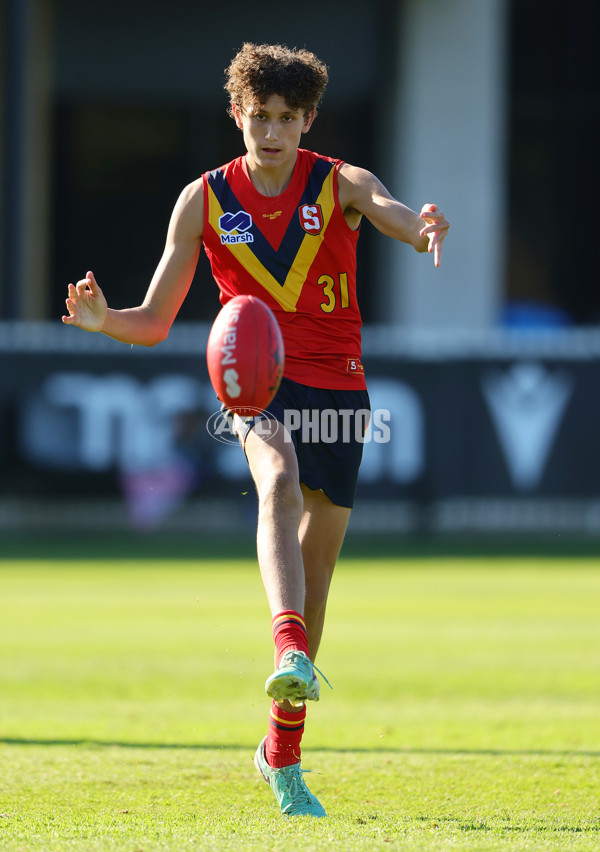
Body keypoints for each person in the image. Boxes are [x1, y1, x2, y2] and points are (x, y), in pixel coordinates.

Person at [62, 42, 450, 818]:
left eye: (286, 118)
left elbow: (385, 207)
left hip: (339, 389)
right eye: (258, 116)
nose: (271, 131)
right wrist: (107, 323)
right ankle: (286, 646)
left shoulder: (334, 181)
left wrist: (420, 227)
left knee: (320, 577)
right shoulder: (203, 200)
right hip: (259, 382)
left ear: (307, 120)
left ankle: (282, 751)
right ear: (237, 115)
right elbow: (153, 320)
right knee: (273, 479)